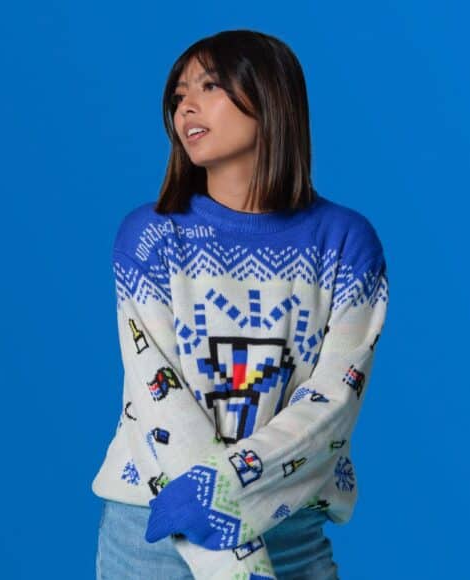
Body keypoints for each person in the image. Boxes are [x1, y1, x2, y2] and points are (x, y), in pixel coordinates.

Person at [91, 29, 389, 580]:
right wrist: (226, 546)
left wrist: (224, 490)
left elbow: (334, 400)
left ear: (271, 97)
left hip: (290, 528)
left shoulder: (345, 243)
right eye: (179, 95)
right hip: (157, 527)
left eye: (209, 86)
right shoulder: (150, 236)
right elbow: (157, 392)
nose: (186, 107)